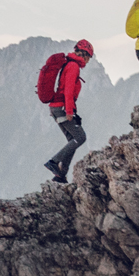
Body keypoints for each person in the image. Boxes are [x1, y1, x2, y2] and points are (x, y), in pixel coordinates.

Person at [44, 39, 94, 184]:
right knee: (80, 137)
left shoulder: (69, 64)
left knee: (72, 139)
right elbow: (69, 90)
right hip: (62, 107)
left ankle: (60, 175)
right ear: (84, 54)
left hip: (57, 107)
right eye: (89, 57)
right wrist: (69, 111)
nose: (88, 61)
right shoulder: (73, 66)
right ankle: (54, 162)